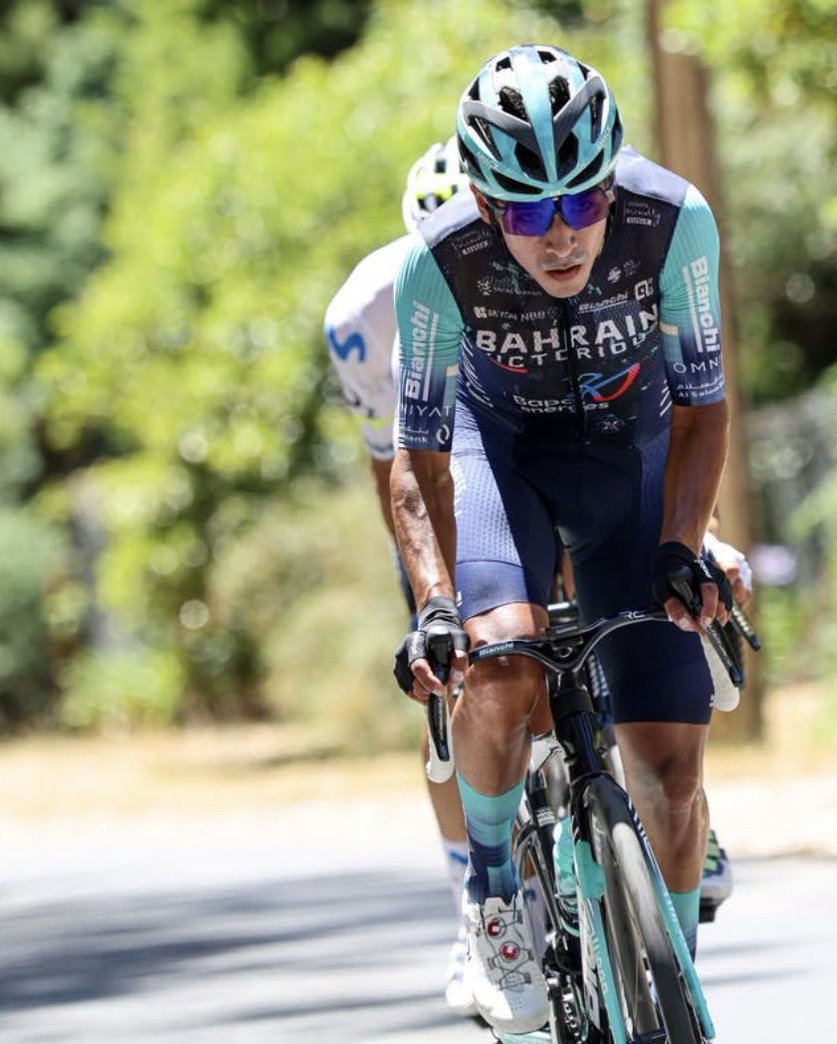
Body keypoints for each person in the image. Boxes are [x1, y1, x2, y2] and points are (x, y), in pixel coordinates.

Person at [389, 44, 731, 1034]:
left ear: (612, 182)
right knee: (501, 657)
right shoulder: (440, 261)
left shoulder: (673, 221)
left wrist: (683, 543)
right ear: (488, 206)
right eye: (530, 213)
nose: (562, 233)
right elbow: (415, 463)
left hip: (635, 455)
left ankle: (674, 986)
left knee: (672, 773)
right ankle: (493, 894)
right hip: (506, 459)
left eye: (582, 202)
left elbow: (706, 411)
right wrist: (436, 602)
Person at [323, 138, 478, 1017]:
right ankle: (475, 901)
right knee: (447, 685)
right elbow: (395, 469)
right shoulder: (363, 315)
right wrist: (431, 596)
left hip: (533, 451)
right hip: (436, 479)